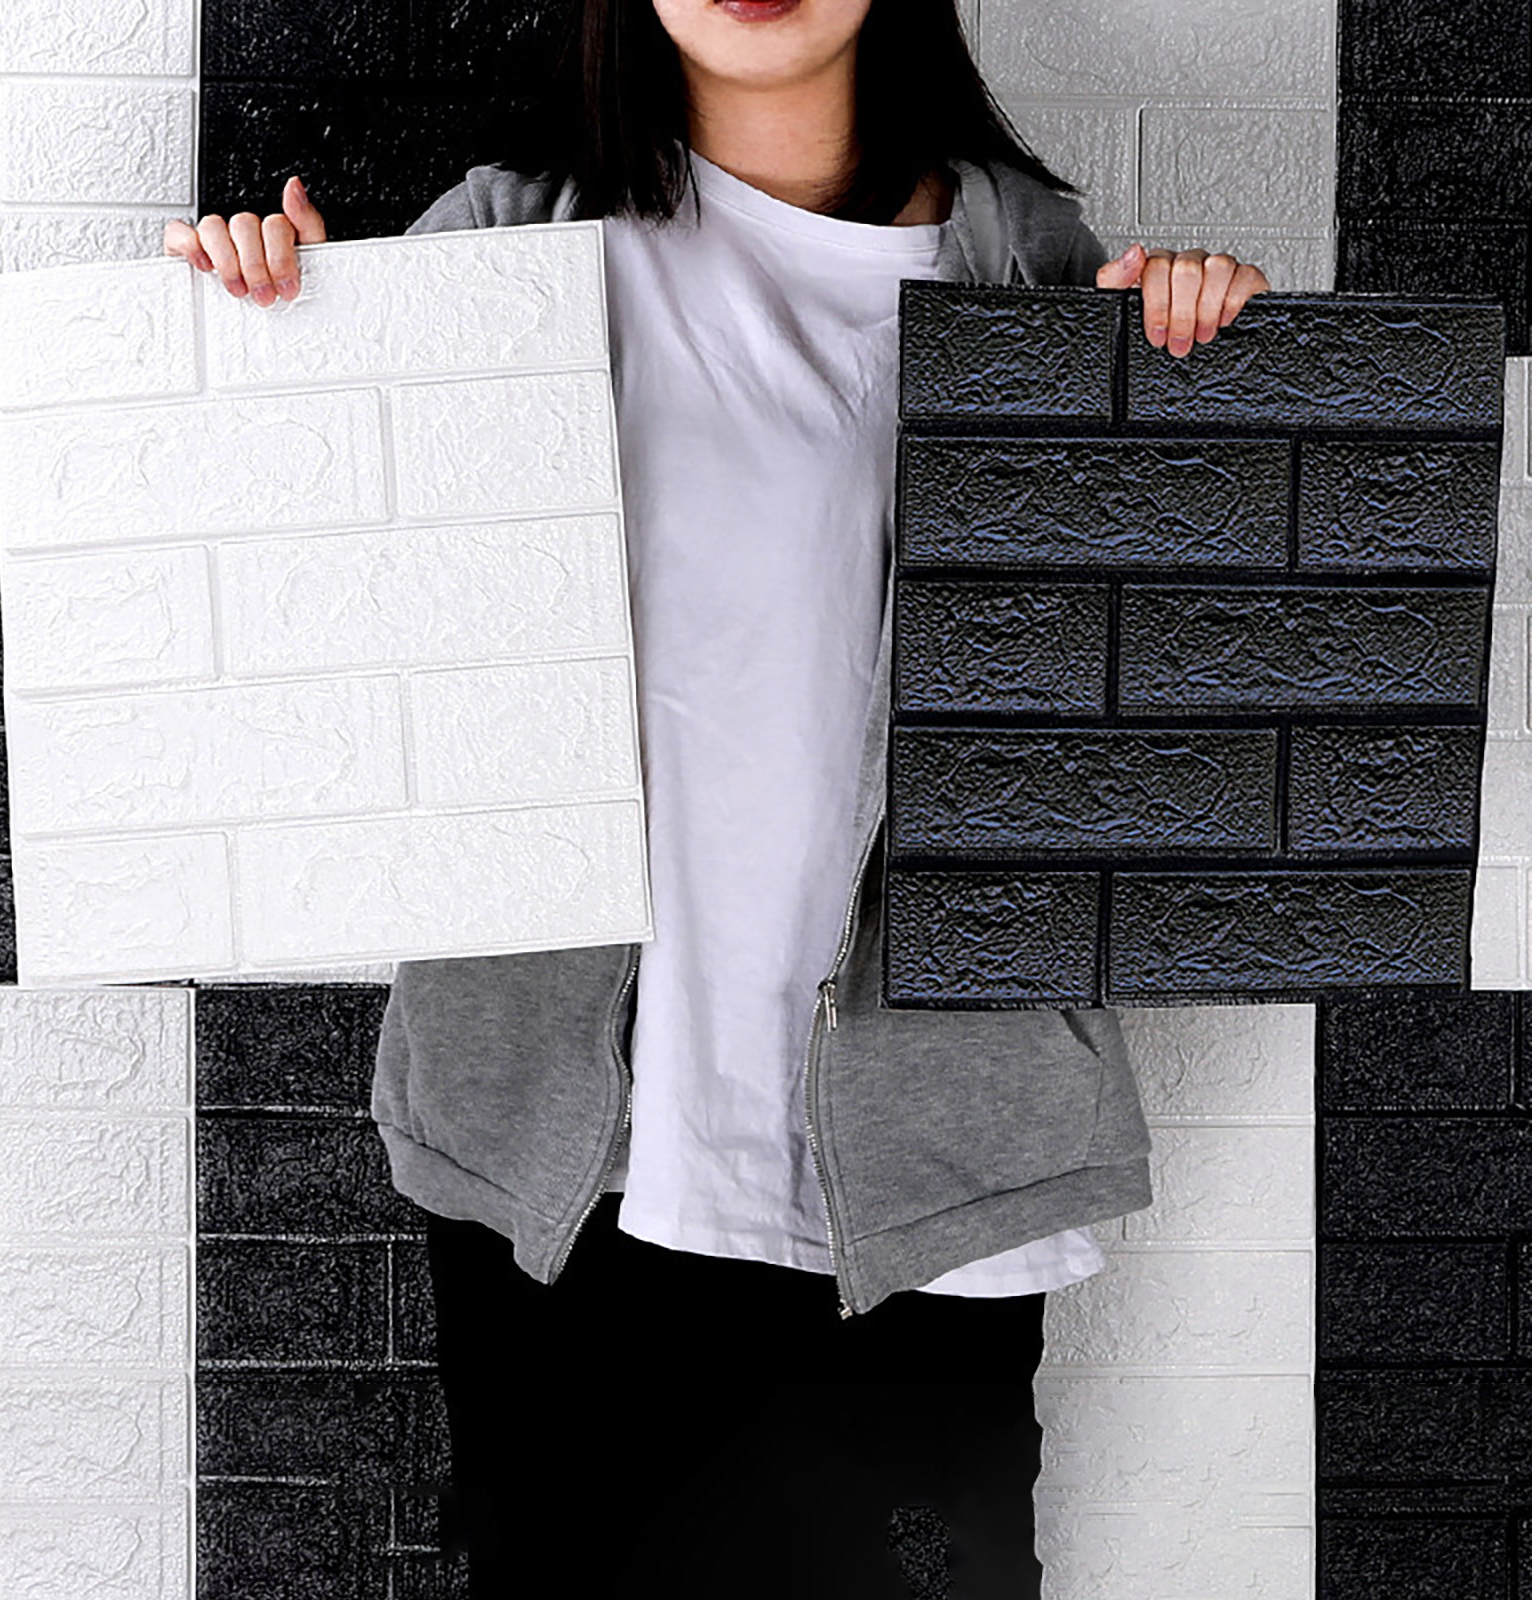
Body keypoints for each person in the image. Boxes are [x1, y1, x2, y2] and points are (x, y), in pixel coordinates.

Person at [165, 2, 1271, 1595]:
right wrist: (274, 345)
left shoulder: (1036, 270)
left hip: (934, 1169)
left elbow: (1159, 741)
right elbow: (328, 666)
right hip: (569, 1159)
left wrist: (1209, 387)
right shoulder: (503, 242)